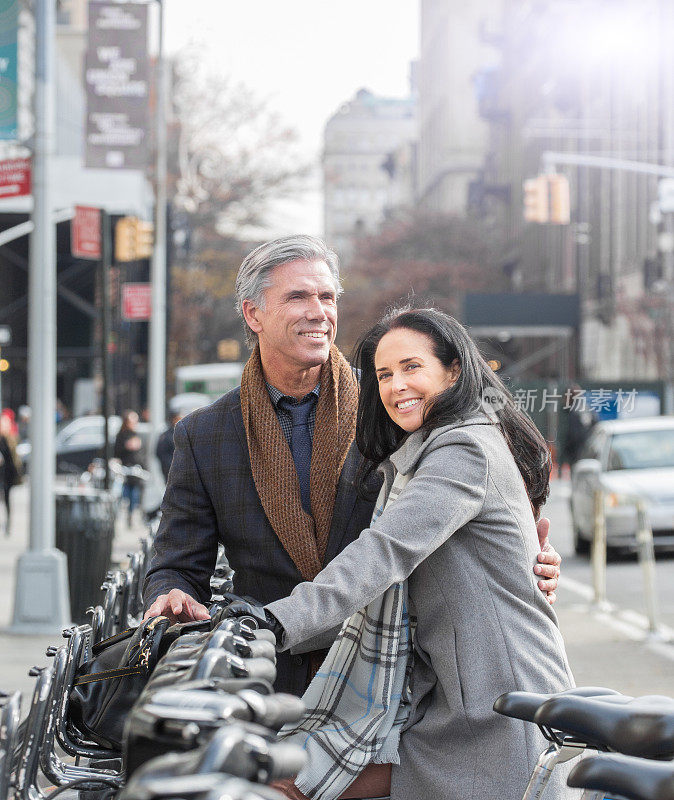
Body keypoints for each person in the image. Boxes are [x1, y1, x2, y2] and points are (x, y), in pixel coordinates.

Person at [143, 235, 562, 698]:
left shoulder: (393, 402)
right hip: (271, 673)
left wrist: (526, 561)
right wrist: (171, 593)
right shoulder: (205, 435)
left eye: (327, 296)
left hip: (395, 673)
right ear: (252, 314)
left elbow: (454, 515)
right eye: (298, 296)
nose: (318, 311)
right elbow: (178, 563)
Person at [236, 308, 574, 800]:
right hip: (446, 704)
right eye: (384, 374)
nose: (397, 386)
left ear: (453, 370)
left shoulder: (464, 449)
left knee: (291, 783)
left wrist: (275, 621)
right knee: (291, 781)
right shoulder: (426, 451)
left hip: (501, 708)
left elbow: (384, 553)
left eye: (412, 367)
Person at [113, 410, 145, 525]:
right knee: (123, 496)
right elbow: (116, 453)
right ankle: (121, 517)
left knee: (135, 496)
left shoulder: (137, 435)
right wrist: (127, 446)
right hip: (124, 471)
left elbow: (141, 454)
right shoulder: (121, 436)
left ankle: (131, 516)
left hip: (136, 472)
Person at [0, 412, 21, 536]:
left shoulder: (11, 439)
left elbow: (14, 460)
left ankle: (8, 523)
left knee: (7, 499)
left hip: (7, 474)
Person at [156, 410, 183, 482]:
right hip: (171, 470)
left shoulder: (183, 434)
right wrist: (173, 465)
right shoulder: (166, 436)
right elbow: (160, 453)